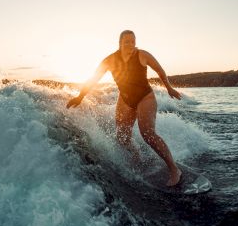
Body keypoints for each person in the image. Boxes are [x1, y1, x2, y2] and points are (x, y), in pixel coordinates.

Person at [66, 30, 183, 186]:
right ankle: (137, 157)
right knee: (122, 137)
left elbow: (160, 71)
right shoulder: (110, 60)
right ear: (120, 43)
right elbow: (93, 79)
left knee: (147, 133)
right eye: (127, 41)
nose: (130, 44)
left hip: (145, 97)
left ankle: (174, 169)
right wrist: (80, 97)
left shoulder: (143, 55)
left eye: (133, 41)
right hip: (125, 100)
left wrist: (169, 88)